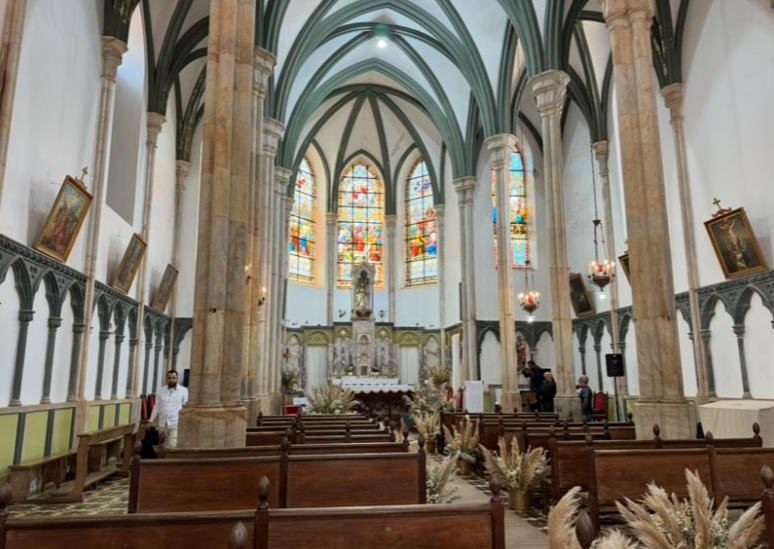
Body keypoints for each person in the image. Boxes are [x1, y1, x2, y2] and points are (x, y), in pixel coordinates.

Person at [149, 369, 189, 448]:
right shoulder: (161, 390)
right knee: (162, 445)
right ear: (167, 379)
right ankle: (162, 460)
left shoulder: (183, 390)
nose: (171, 380)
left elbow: (185, 406)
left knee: (172, 445)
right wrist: (151, 420)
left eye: (173, 378)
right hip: (162, 423)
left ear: (177, 378)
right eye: (169, 378)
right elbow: (157, 406)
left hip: (175, 422)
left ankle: (170, 460)